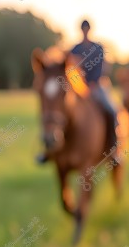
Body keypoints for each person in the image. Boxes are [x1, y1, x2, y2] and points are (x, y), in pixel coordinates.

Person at [36, 20, 118, 164]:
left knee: (111, 110)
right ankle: (49, 149)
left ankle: (113, 150)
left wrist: (93, 83)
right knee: (57, 111)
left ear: (89, 30)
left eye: (86, 29)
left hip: (97, 86)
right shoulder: (74, 49)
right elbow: (69, 69)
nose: (85, 31)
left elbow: (101, 68)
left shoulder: (98, 48)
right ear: (81, 30)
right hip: (78, 88)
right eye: (83, 29)